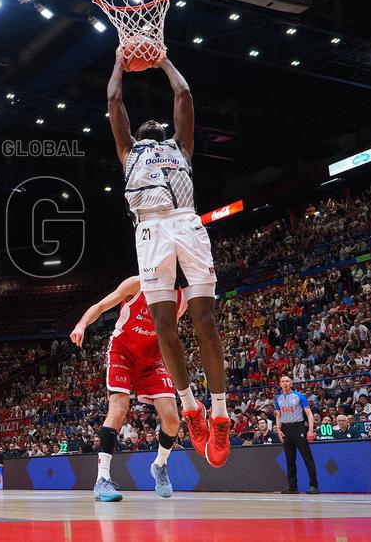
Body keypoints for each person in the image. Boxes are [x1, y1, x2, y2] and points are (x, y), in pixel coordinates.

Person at [107, 48, 230, 467]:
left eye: (156, 123)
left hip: (186, 222)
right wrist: (118, 62)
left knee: (205, 321)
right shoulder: (128, 152)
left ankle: (221, 413)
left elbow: (184, 93)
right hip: (150, 228)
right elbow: (113, 102)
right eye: (150, 125)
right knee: (164, 325)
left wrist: (161, 60)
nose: (153, 123)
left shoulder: (181, 145)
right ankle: (190, 406)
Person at [72, 275, 187, 500]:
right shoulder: (136, 284)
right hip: (122, 351)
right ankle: (102, 480)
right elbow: (100, 306)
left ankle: (160, 465)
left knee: (173, 419)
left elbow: (168, 337)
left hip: (152, 359)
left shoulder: (180, 299)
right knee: (118, 409)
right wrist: (81, 324)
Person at [274, 376, 319, 494]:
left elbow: (309, 414)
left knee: (307, 457)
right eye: (283, 381)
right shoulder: (278, 398)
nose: (285, 383)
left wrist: (310, 430)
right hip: (285, 429)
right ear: (280, 383)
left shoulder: (299, 396)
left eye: (287, 381)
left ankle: (314, 485)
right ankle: (292, 486)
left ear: (291, 383)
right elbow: (278, 416)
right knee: (289, 459)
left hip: (298, 428)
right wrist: (279, 430)